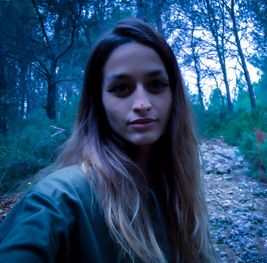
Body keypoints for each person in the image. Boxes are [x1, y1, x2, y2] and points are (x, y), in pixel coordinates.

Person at [0, 18, 215, 262]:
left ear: (173, 95)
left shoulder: (177, 190)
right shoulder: (56, 201)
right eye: (122, 88)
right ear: (98, 102)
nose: (142, 104)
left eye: (156, 85)